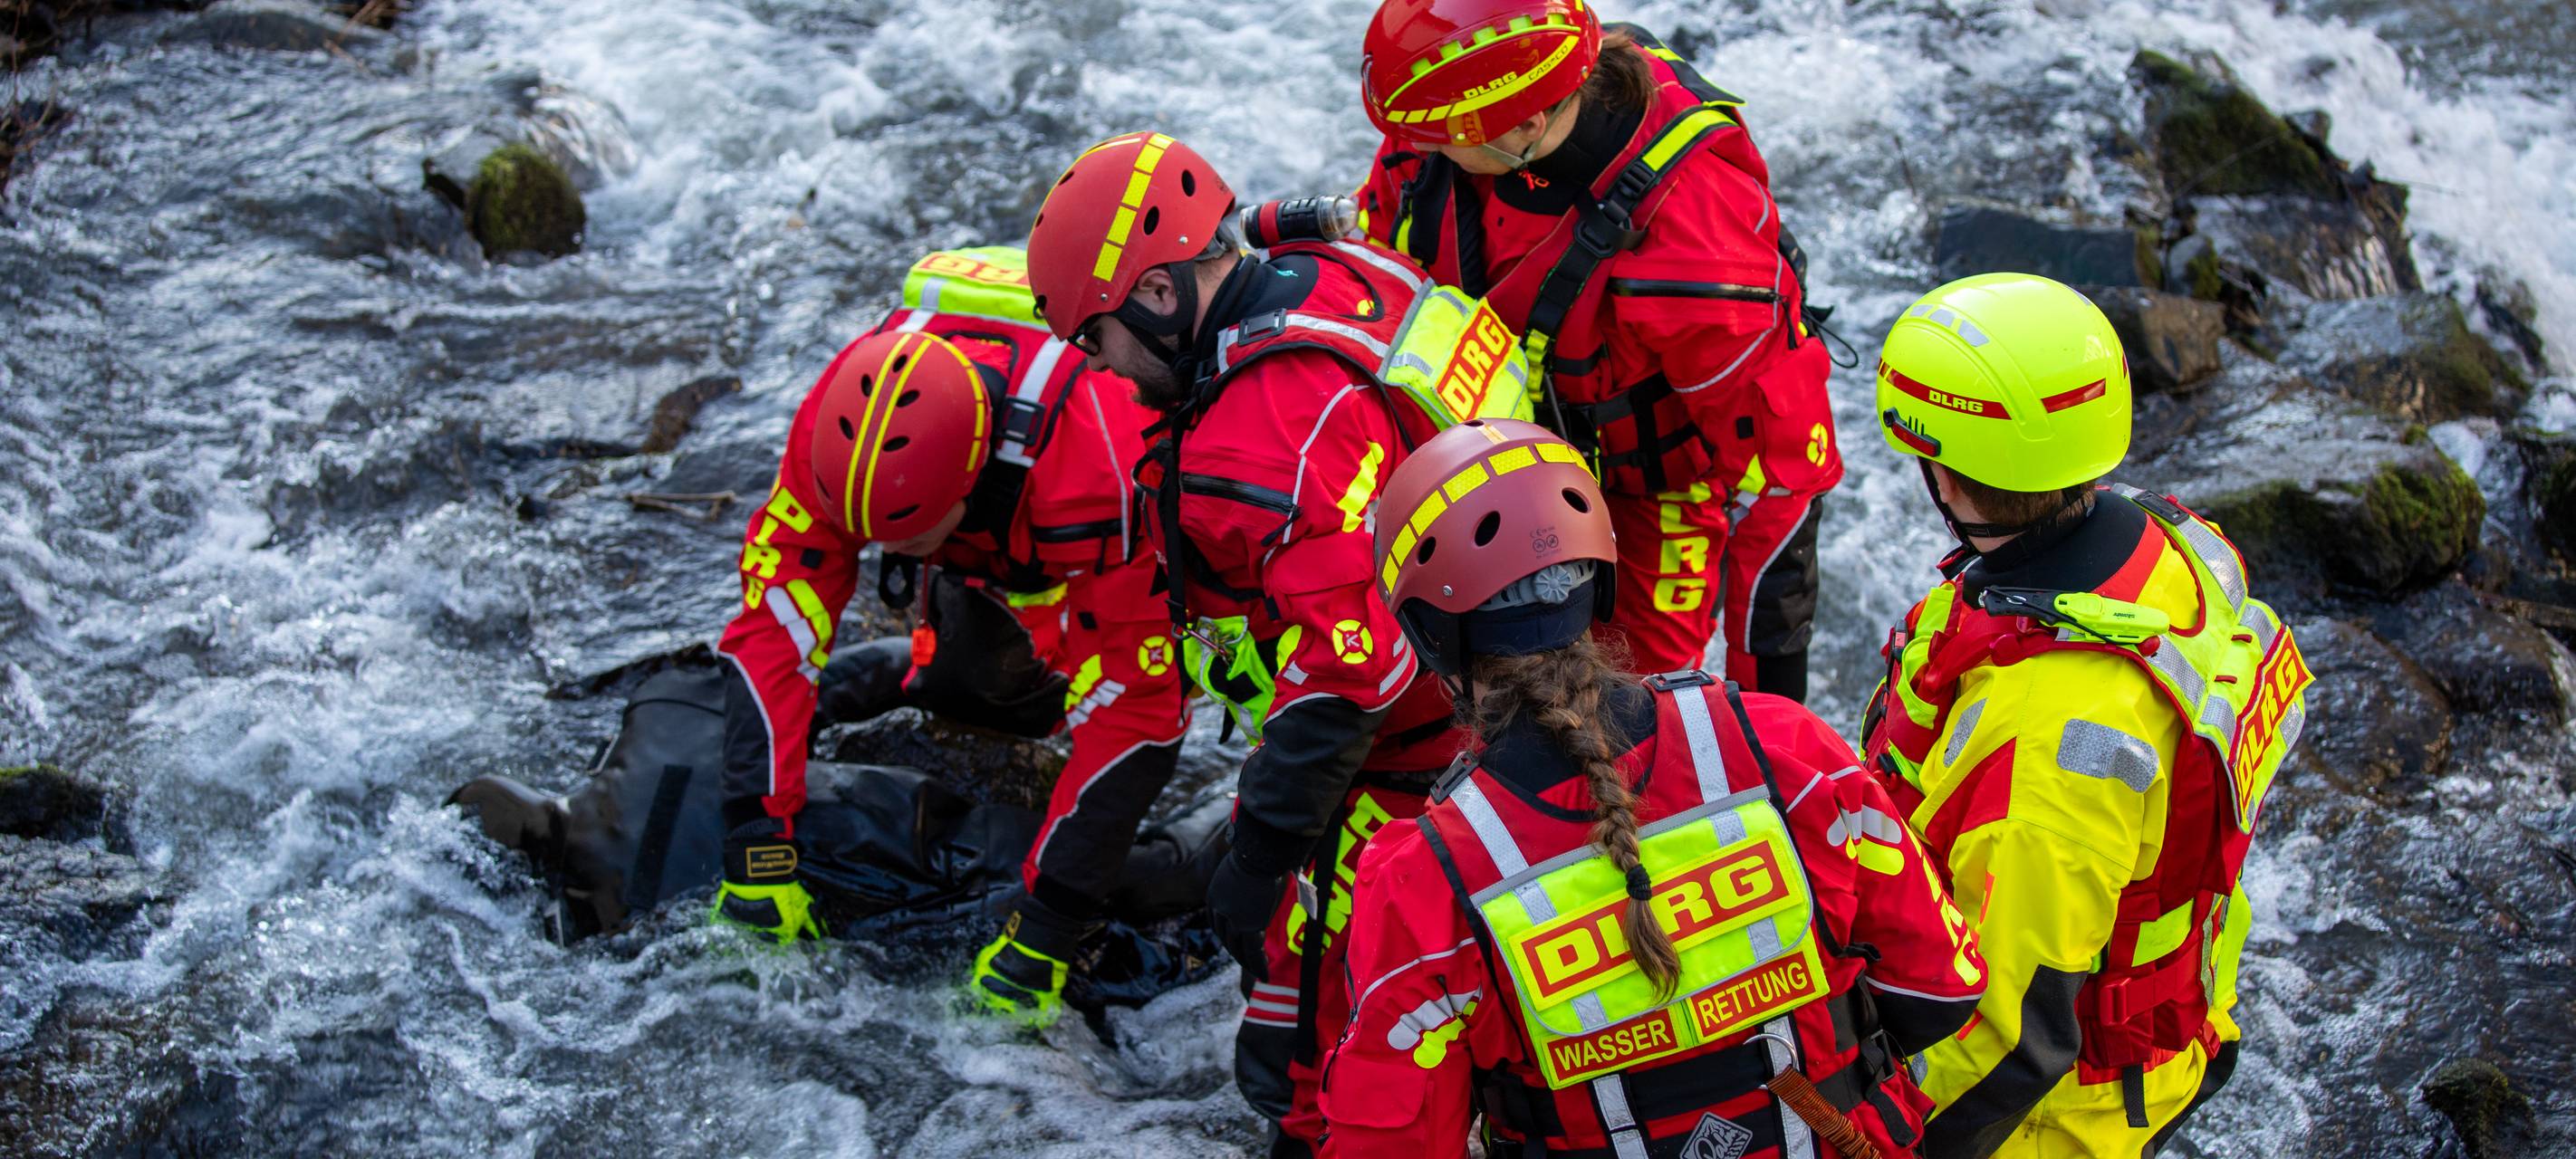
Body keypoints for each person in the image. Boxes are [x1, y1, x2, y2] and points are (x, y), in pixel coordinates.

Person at [1024, 131, 1531, 1155]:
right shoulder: (1346, 270)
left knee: (1307, 1040)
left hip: (1416, 750)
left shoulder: (1249, 451)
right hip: (1525, 638)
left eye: (1095, 339)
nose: (1103, 373)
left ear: (1161, 298)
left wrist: (1259, 858)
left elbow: (1361, 673)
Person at [1321, 417, 1986, 1158]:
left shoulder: (1421, 879)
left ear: (1431, 631)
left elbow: (1387, 1140)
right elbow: (1943, 988)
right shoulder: (1784, 749)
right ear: (1600, 579)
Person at [1858, 273, 2315, 1157]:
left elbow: (2011, 1035)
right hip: (2173, 1004)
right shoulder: (2173, 541)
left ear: (1943, 473)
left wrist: (1879, 1145)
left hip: (2063, 1118)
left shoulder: (2046, 738)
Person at [710, 247, 1187, 1029]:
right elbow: (775, 626)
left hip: (1082, 499)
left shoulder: (1105, 474)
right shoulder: (833, 431)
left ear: (971, 487)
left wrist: (1047, 924)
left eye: (906, 539)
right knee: (973, 683)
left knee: (1105, 691)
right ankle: (934, 653)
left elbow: (1140, 710)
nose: (883, 564)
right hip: (983, 487)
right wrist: (757, 836)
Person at [1351, 0, 1842, 701]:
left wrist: (1774, 718)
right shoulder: (1452, 117)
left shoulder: (1695, 244)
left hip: (1650, 494)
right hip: (1477, 448)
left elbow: (1783, 483)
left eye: (1435, 138)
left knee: (1635, 713)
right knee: (1439, 686)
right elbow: (1378, 255)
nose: (1412, 150)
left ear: (1525, 124)